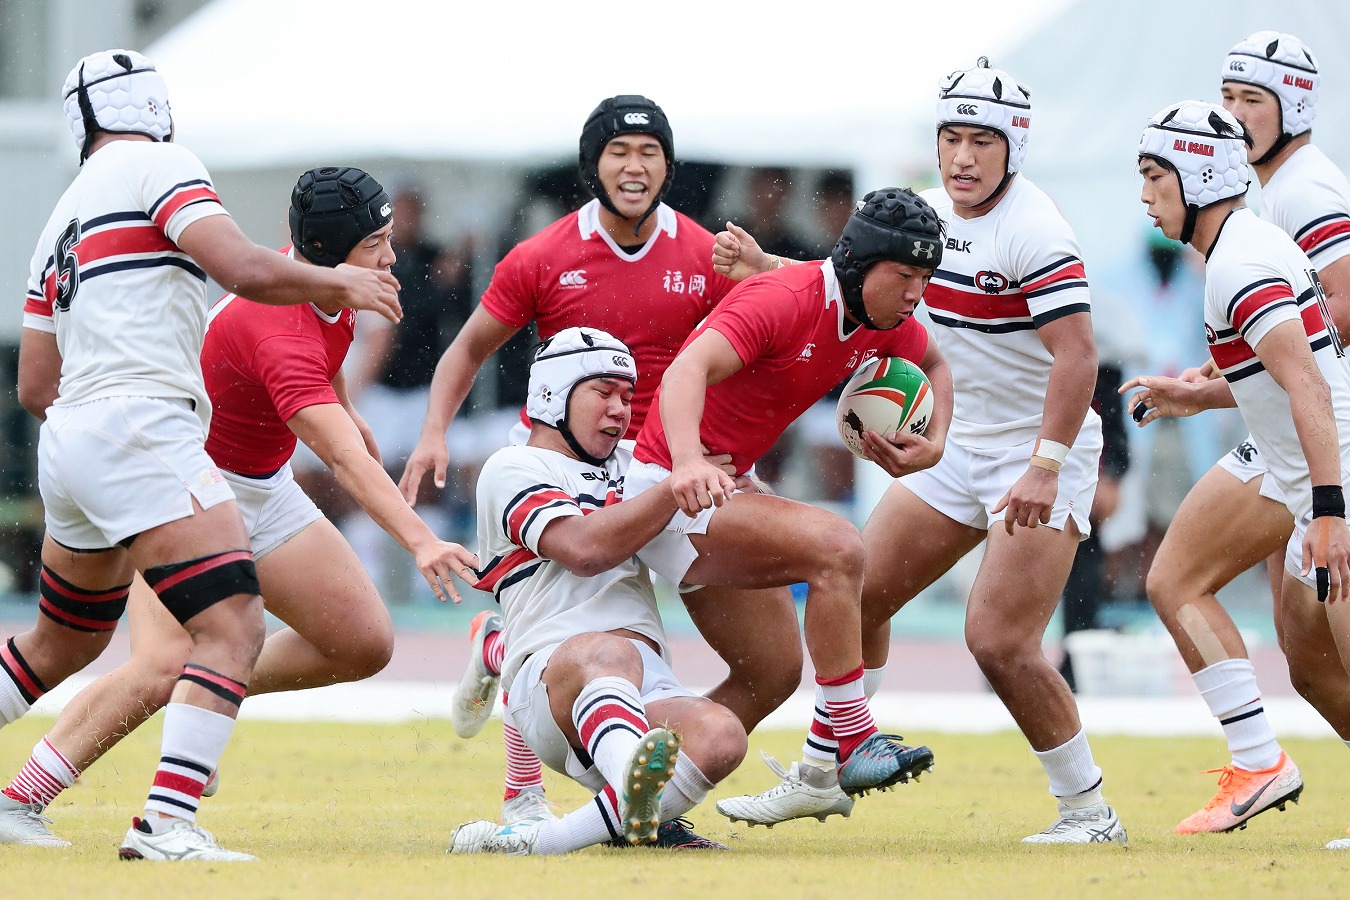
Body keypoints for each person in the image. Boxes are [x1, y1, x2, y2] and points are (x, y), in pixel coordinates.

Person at [0, 165, 478, 850]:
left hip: (260, 486)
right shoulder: (275, 326)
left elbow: (330, 343)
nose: (391, 256)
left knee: (363, 639)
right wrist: (422, 541)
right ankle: (24, 800)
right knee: (157, 667)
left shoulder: (314, 276)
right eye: (377, 242)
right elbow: (343, 461)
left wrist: (344, 403)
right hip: (183, 491)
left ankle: (208, 695)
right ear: (332, 251)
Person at [714, 60, 1126, 844]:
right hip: (959, 441)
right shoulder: (929, 214)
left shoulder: (1037, 231)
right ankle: (826, 772)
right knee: (857, 588)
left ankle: (1090, 813)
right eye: (950, 138)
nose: (962, 157)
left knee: (999, 641)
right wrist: (767, 268)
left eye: (980, 141)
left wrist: (1044, 464)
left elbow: (1078, 357)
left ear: (1014, 148)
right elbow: (843, 281)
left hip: (1041, 452)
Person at [414, 95, 801, 840]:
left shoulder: (704, 251)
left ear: (668, 165)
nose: (635, 166)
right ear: (593, 164)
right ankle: (835, 737)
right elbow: (467, 349)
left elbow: (781, 322)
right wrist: (434, 432)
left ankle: (648, 783)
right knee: (586, 636)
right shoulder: (543, 255)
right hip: (574, 475)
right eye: (619, 152)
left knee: (776, 667)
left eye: (649, 152)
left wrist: (738, 450)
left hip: (671, 472)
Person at [625, 187, 953, 810]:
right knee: (838, 548)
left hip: (727, 488)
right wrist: (688, 462)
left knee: (770, 676)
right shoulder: (782, 299)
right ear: (858, 266)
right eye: (906, 275)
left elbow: (937, 364)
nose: (918, 293)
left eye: (926, 277)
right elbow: (684, 370)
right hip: (668, 492)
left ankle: (641, 802)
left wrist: (934, 442)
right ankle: (854, 741)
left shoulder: (882, 321)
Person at [1127, 32, 1350, 838]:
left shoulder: (1242, 257)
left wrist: (1329, 510)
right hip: (1302, 462)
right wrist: (1201, 398)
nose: (1144, 199)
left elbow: (1310, 383)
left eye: (1155, 179)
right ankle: (1259, 763)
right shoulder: (1233, 248)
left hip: (1331, 467)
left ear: (1197, 176)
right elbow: (1289, 371)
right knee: (1181, 583)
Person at [448, 327, 747, 855]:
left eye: (628, 397)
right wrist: (674, 487)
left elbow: (718, 497)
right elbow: (584, 551)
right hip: (550, 676)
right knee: (610, 650)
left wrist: (736, 485)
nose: (620, 409)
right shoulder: (512, 466)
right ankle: (630, 778)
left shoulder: (638, 463)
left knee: (724, 735)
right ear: (553, 394)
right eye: (603, 391)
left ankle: (547, 840)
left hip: (641, 679)